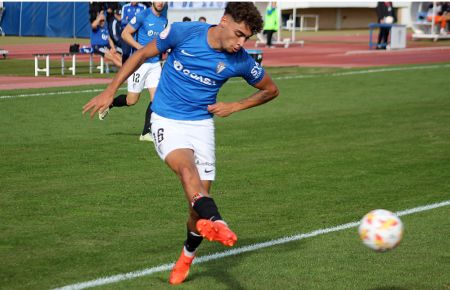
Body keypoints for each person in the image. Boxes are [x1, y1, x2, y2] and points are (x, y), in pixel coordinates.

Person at [83, 2, 279, 284]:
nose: (241, 43)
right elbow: (140, 54)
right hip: (166, 119)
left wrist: (235, 106)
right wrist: (110, 91)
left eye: (246, 38)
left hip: (202, 126)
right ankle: (219, 223)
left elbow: (271, 90)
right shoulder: (184, 32)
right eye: (238, 34)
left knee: (195, 206)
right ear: (223, 20)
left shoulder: (241, 61)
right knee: (188, 172)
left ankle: (187, 255)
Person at [98, 2, 167, 144]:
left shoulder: (164, 20)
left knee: (157, 98)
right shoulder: (143, 15)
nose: (161, 2)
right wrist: (140, 48)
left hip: (154, 64)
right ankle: (110, 104)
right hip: (139, 64)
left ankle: (146, 132)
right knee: (131, 100)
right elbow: (125, 33)